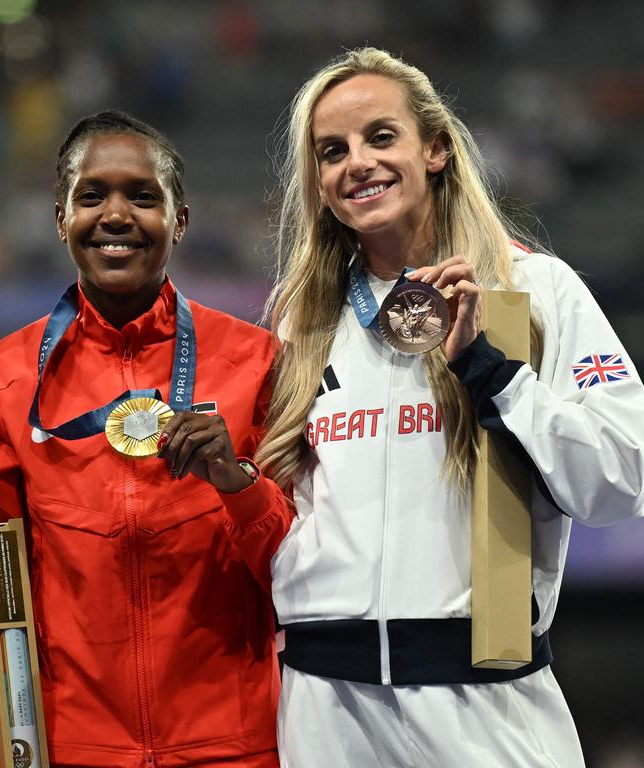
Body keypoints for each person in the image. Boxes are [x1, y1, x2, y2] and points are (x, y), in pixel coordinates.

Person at [249, 47, 644, 766]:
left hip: (481, 698)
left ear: (434, 148)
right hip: (321, 705)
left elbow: (621, 482)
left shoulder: (533, 290)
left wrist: (495, 376)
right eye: (331, 151)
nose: (356, 163)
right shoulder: (296, 323)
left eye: (379, 136)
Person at [0, 111, 288, 768]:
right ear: (60, 217)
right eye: (92, 195)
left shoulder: (257, 364)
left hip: (233, 749)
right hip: (75, 750)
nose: (116, 215)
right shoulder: (5, 383)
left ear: (179, 220)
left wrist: (239, 484)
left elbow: (302, 571)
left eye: (142, 196)